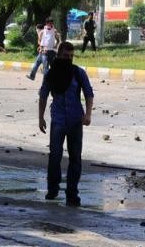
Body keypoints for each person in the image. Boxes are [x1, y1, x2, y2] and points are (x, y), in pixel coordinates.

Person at [38, 41, 94, 207]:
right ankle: (52, 189)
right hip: (58, 119)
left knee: (75, 158)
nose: (68, 59)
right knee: (55, 155)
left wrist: (88, 114)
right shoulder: (50, 74)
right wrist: (40, 118)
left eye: (71, 56)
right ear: (59, 55)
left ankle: (72, 194)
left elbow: (89, 94)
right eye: (65, 56)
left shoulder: (78, 73)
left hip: (76, 120)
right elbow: (43, 96)